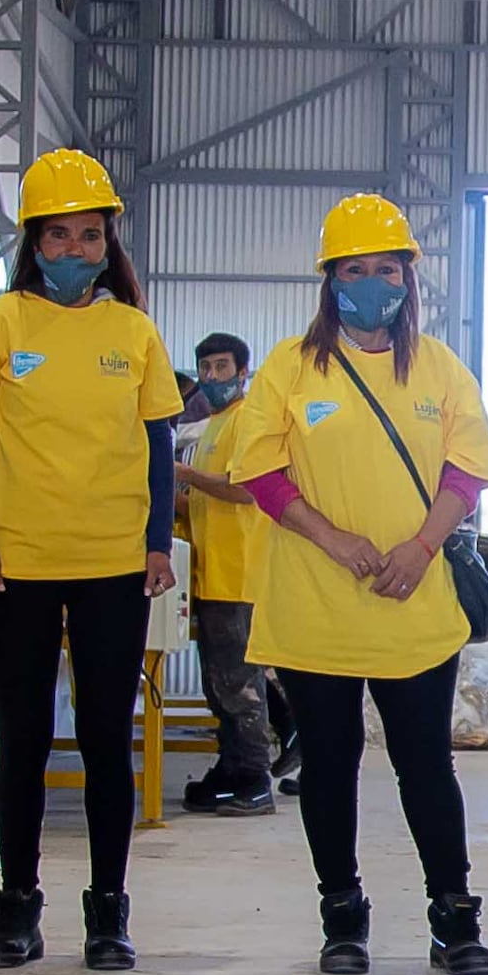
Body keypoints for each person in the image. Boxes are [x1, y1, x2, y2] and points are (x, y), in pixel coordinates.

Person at [208, 196, 488, 975]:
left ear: (409, 278)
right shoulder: (289, 367)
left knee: (425, 765)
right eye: (355, 269)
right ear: (329, 280)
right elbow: (259, 470)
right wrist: (332, 537)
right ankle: (343, 913)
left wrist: (421, 545)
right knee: (330, 766)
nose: (372, 282)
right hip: (316, 602)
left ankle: (455, 915)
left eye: (386, 269)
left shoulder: (439, 368)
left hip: (415, 599)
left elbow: (466, 468)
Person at [0, 149, 183, 971]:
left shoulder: (132, 331)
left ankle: (108, 912)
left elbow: (156, 444)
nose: (73, 251)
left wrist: (154, 543)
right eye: (57, 236)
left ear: (108, 243)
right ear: (31, 241)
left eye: (88, 236)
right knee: (27, 738)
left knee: (108, 738)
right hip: (19, 565)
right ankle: (17, 907)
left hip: (113, 562)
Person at [173, 328, 285, 814]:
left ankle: (256, 774)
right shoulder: (210, 426)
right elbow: (202, 497)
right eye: (205, 369)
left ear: (244, 371)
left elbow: (244, 490)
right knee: (217, 683)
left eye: (221, 367)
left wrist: (180, 473)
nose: (212, 377)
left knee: (241, 685)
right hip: (209, 572)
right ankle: (231, 767)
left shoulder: (248, 421)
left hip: (239, 572)